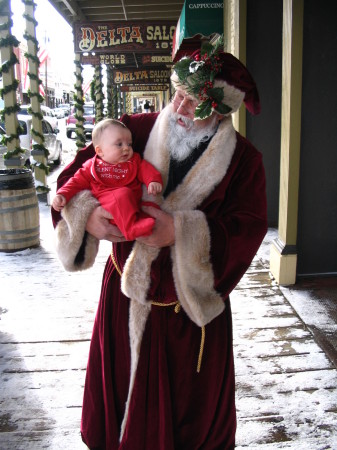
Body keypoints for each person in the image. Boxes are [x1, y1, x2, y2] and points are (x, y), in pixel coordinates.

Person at [52, 39, 267, 449]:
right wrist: (89, 216)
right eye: (179, 94)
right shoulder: (132, 130)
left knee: (192, 422)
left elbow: (247, 229)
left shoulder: (245, 161)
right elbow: (71, 180)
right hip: (125, 298)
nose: (182, 108)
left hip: (190, 314)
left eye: (196, 103)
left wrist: (181, 233)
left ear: (221, 108)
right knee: (117, 405)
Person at [52, 119, 162, 243]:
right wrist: (63, 194)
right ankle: (131, 228)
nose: (126, 148)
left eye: (129, 144)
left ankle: (142, 226)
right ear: (100, 151)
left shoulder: (134, 161)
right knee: (122, 194)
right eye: (119, 144)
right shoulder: (92, 167)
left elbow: (146, 169)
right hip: (110, 210)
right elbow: (76, 181)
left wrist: (153, 181)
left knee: (151, 204)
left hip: (133, 207)